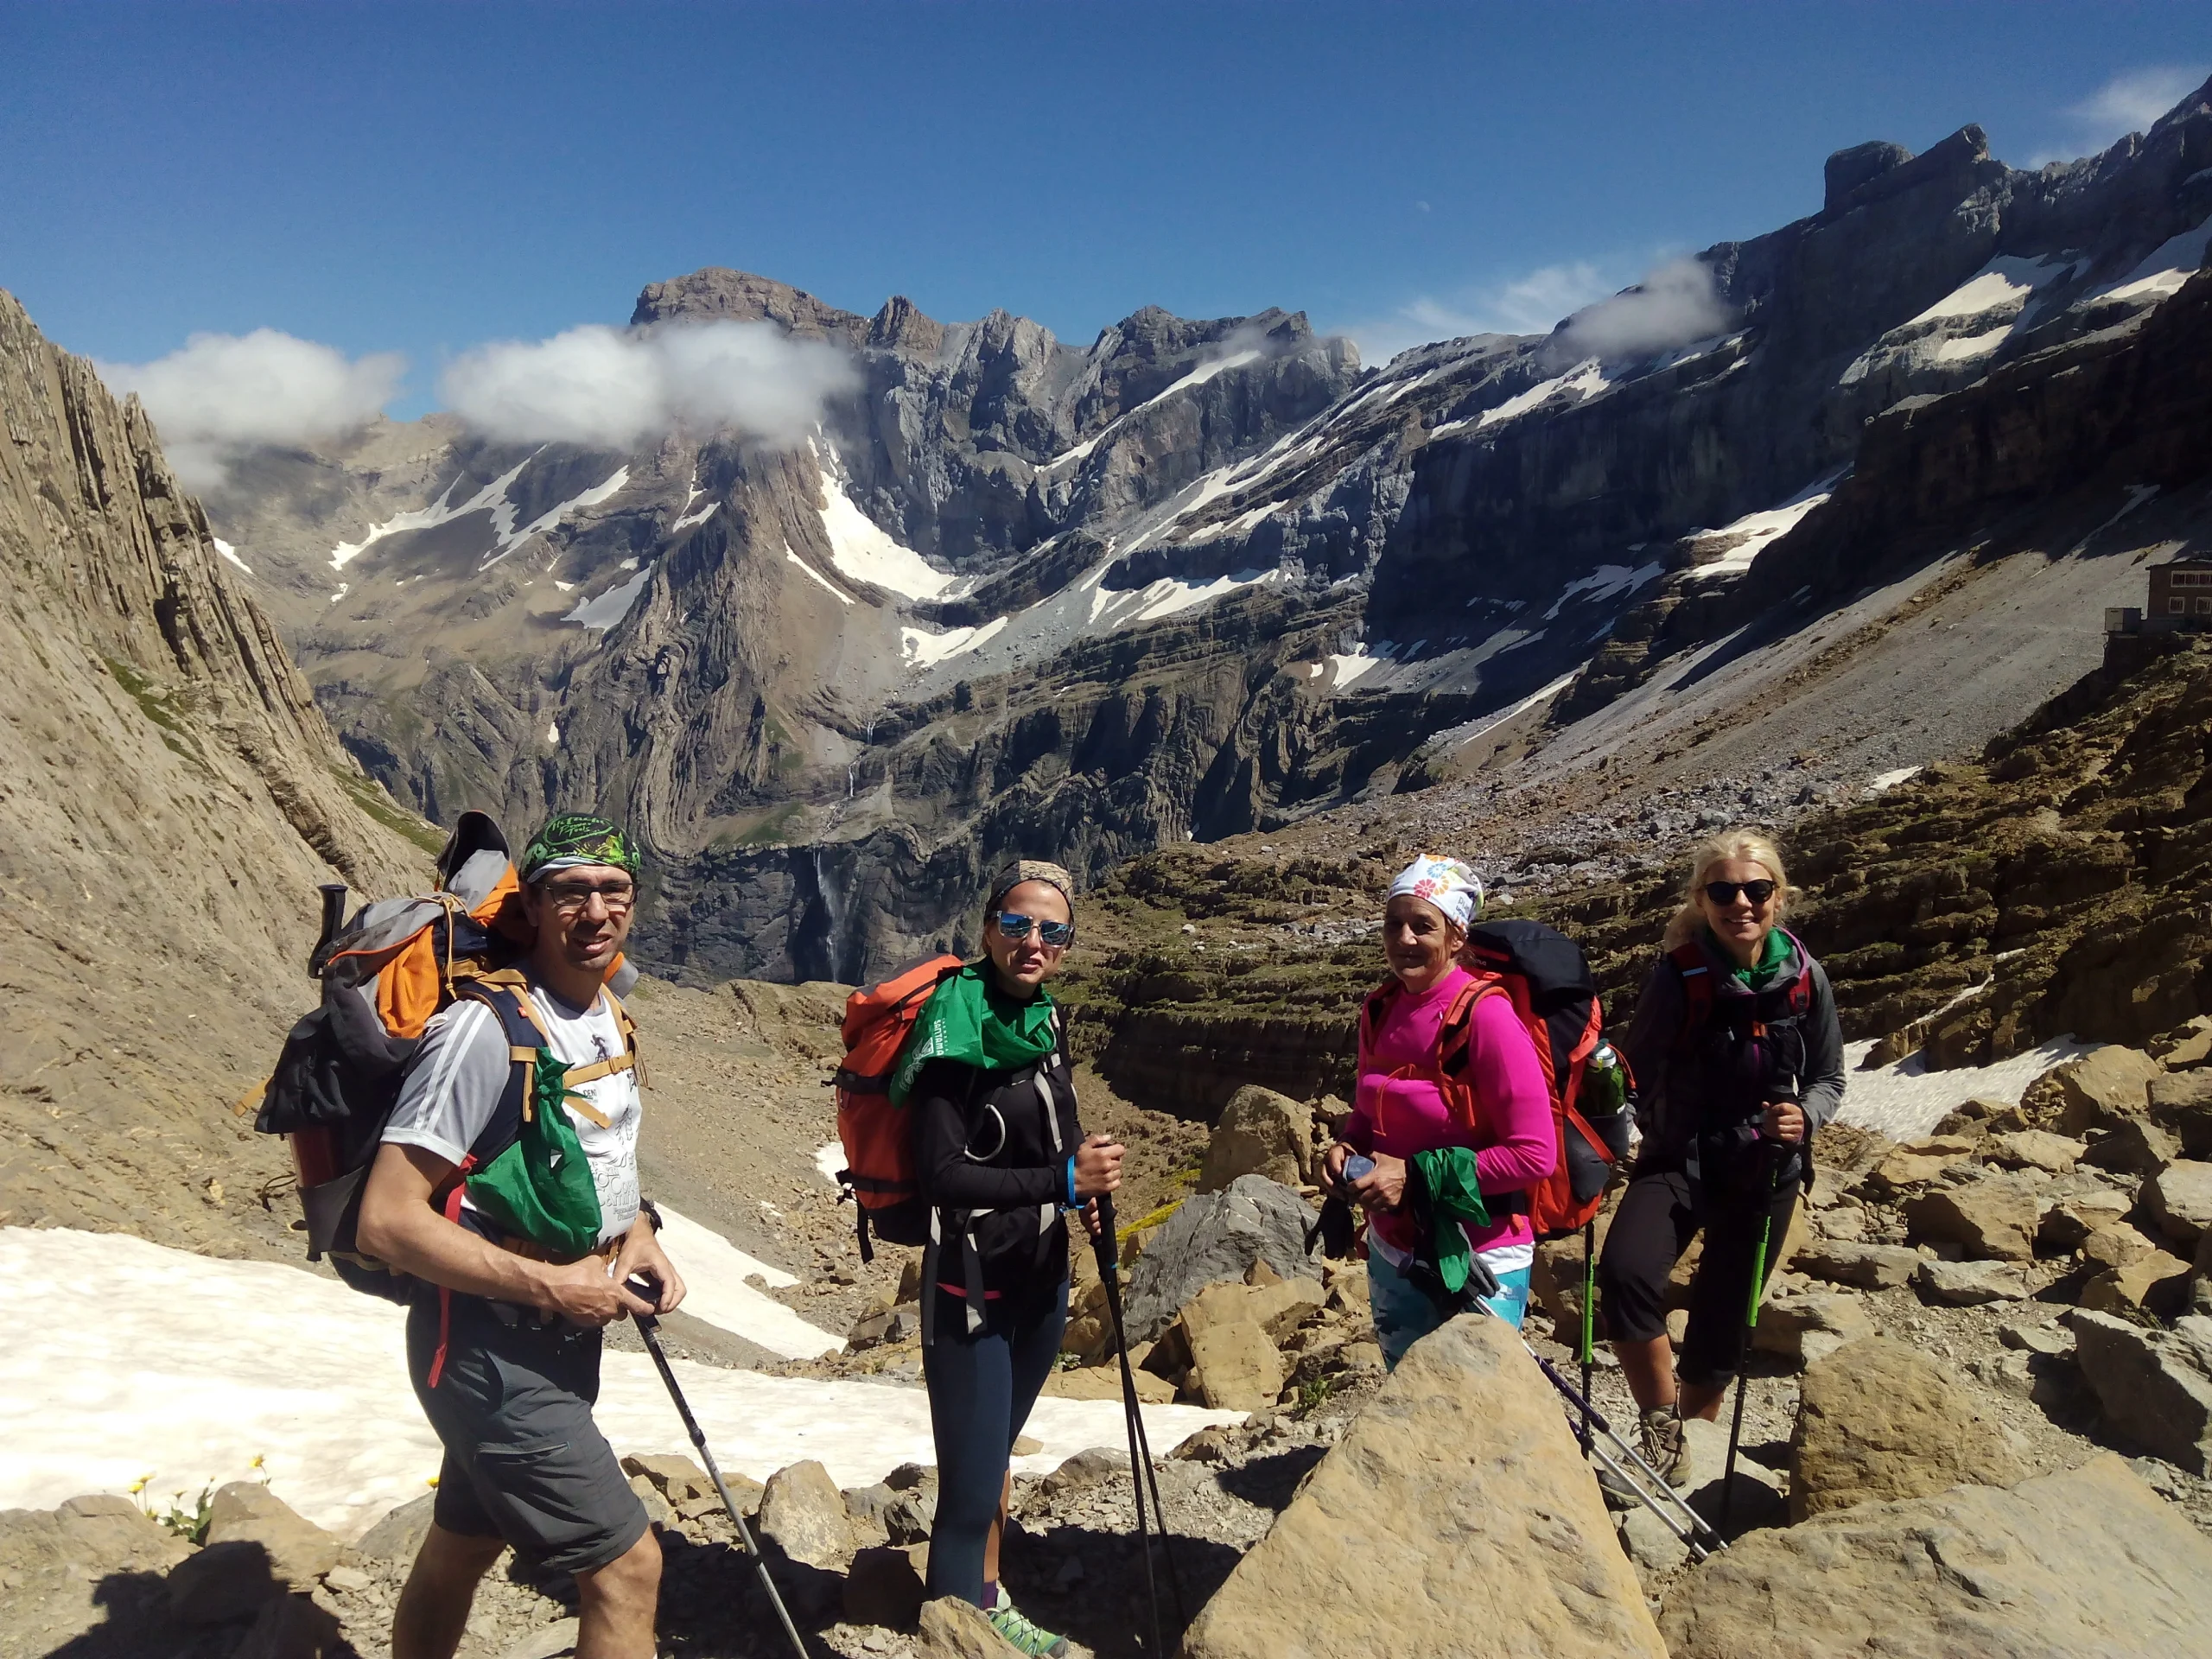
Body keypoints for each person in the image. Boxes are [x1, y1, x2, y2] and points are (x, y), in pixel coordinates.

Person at [357, 814, 685, 1659]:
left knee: (463, 1545)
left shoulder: (609, 1008)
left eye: (614, 890)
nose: (596, 911)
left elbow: (599, 1155)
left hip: (550, 1342)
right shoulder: (483, 1032)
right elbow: (388, 1218)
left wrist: (639, 1232)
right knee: (627, 1568)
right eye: (570, 892)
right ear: (533, 905)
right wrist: (551, 1285)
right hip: (485, 1351)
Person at [895, 859, 1123, 1659]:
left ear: (1067, 943)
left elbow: (1050, 1131)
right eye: (1018, 923)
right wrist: (1063, 1179)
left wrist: (1082, 1181)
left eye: (1052, 930)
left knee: (994, 1463)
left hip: (1039, 1278)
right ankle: (958, 1626)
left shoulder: (1044, 1020)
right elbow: (943, 1176)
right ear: (987, 926)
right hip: (971, 1285)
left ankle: (986, 1605)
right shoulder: (953, 1025)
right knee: (968, 1487)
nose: (1034, 942)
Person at [1596, 827, 1844, 1482]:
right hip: (1678, 1158)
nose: (1742, 903)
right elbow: (1633, 1069)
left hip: (1764, 1169)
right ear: (1701, 901)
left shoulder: (1804, 977)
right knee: (1625, 1274)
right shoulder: (1679, 978)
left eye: (1756, 890)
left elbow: (1829, 1077)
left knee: (1725, 1322)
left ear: (1778, 896)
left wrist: (1805, 1115)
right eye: (1724, 891)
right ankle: (1661, 1425)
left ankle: (1692, 1453)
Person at [1319, 855, 1554, 1368]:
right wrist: (1348, 1148)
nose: (1403, 939)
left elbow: (1536, 1155)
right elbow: (1367, 1114)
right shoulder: (1380, 1009)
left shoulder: (1487, 1016)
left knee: (1478, 1416)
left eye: (1422, 925)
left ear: (1456, 936)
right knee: (1405, 1399)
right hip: (1393, 1248)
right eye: (1393, 923)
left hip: (1478, 1255)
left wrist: (1415, 1175)